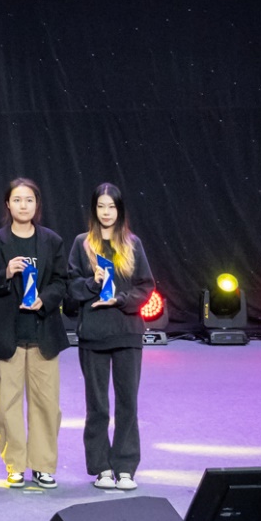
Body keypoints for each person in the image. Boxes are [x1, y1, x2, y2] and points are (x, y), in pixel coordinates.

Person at [0, 176, 69, 491]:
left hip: (43, 334)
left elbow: (61, 281)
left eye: (29, 200)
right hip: (7, 335)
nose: (23, 205)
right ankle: (15, 465)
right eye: (17, 200)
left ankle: (42, 465)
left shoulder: (52, 241)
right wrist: (5, 272)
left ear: (37, 204)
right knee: (8, 404)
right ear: (8, 204)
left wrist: (46, 300)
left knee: (46, 404)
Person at [69, 182, 153, 491]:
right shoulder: (82, 244)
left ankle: (125, 467)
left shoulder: (133, 244)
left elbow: (146, 287)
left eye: (111, 207)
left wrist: (120, 300)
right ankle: (102, 467)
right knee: (98, 406)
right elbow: (71, 287)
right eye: (101, 206)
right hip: (93, 335)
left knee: (127, 404)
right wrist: (93, 284)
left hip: (127, 333)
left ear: (120, 210)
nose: (106, 212)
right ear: (94, 210)